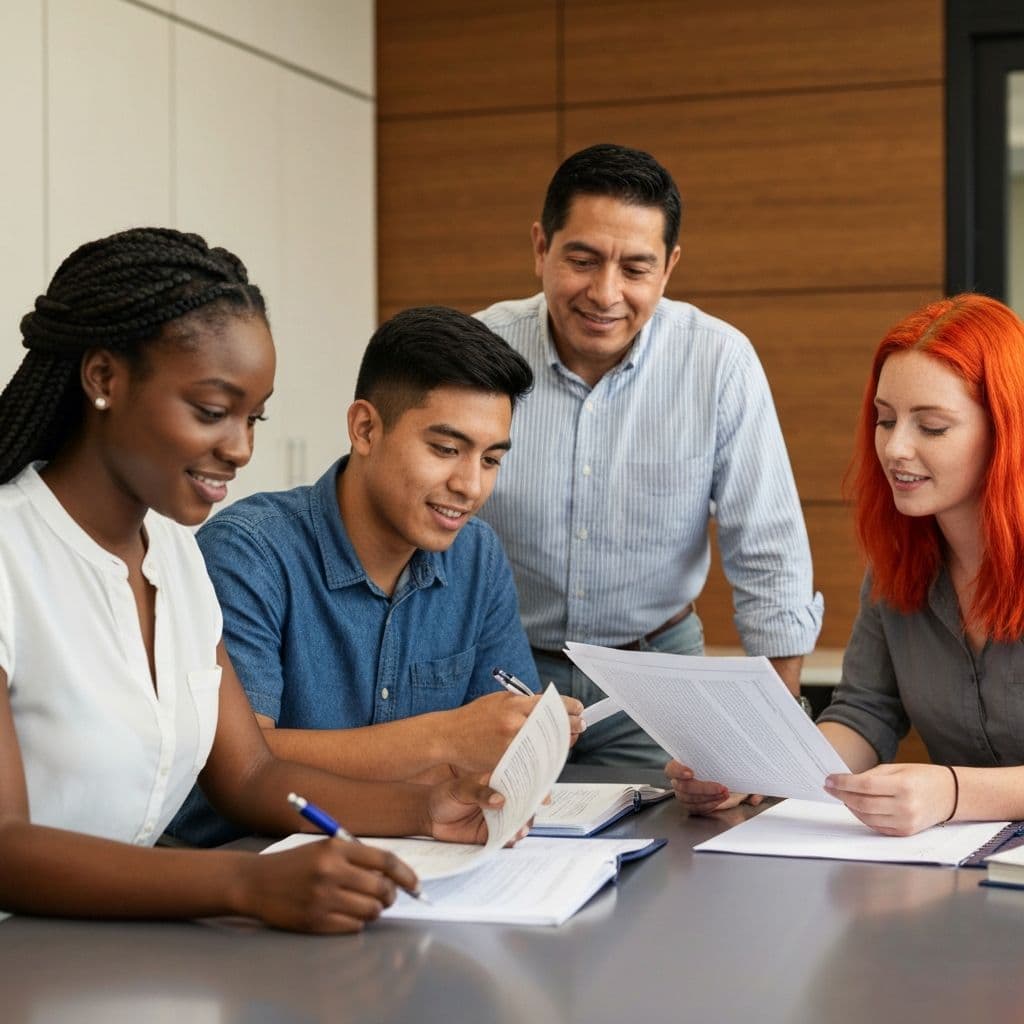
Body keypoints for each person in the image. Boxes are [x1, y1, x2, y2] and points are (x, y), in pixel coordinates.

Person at [0, 228, 510, 932]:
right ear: (104, 379)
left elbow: (249, 775)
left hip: (115, 944)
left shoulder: (173, 557)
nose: (241, 449)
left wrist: (425, 809)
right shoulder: (12, 552)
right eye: (213, 412)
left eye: (254, 417)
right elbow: (6, 846)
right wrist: (245, 882)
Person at [169, 306, 584, 846]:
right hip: (244, 859)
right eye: (446, 449)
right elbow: (242, 762)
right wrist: (444, 739)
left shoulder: (476, 554)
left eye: (490, 460)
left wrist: (521, 737)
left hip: (417, 855)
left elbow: (496, 749)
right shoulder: (248, 552)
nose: (470, 485)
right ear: (365, 429)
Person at [476, 142, 823, 767]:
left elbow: (768, 551)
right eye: (582, 260)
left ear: (669, 268)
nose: (605, 293)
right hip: (503, 670)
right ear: (541, 248)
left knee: (671, 829)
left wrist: (769, 741)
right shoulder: (478, 353)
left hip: (656, 677)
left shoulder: (718, 361)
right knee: (490, 824)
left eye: (635, 269)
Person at [669, 293, 1024, 836]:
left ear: (1006, 431)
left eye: (931, 427)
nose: (895, 449)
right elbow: (865, 715)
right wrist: (756, 771)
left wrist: (953, 793)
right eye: (885, 420)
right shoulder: (898, 563)